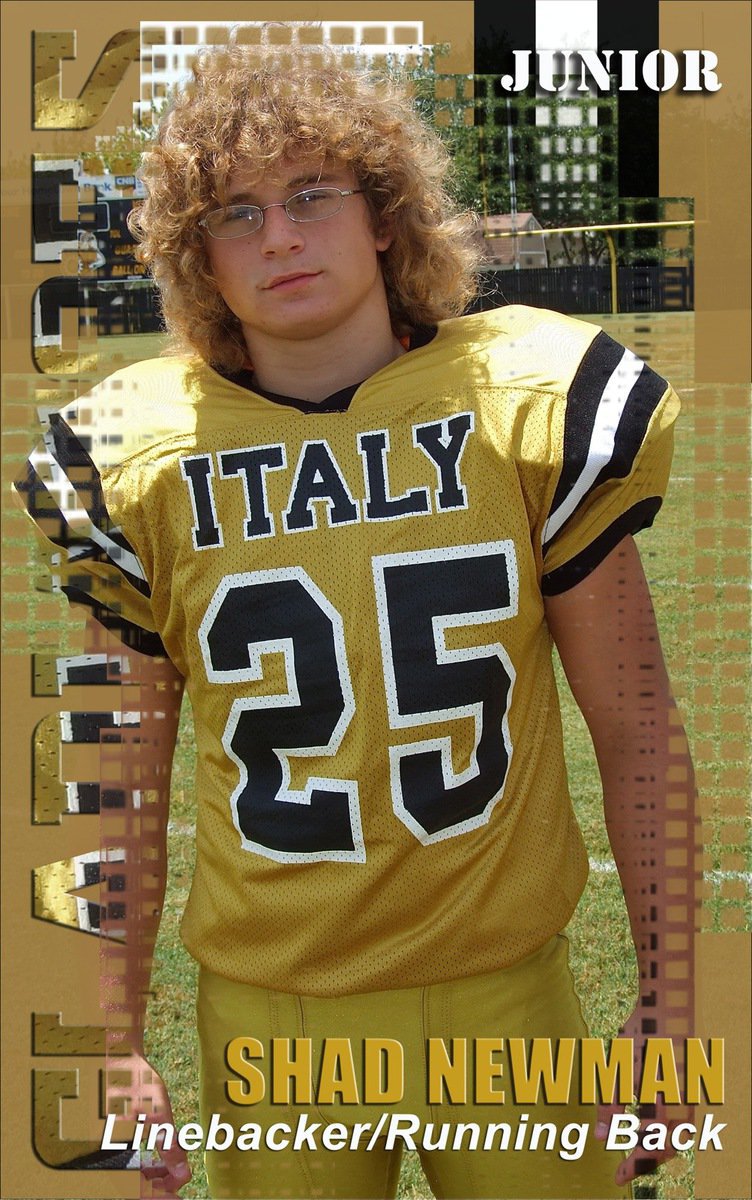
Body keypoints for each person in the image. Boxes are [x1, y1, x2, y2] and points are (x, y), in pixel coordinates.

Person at [18, 37, 696, 1200]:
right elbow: (114, 777)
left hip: (506, 997)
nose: (278, 236)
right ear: (198, 260)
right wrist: (107, 1035)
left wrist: (671, 999)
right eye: (234, 214)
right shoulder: (139, 457)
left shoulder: (520, 407)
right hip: (273, 1019)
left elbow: (635, 727)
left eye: (311, 195)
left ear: (383, 214)